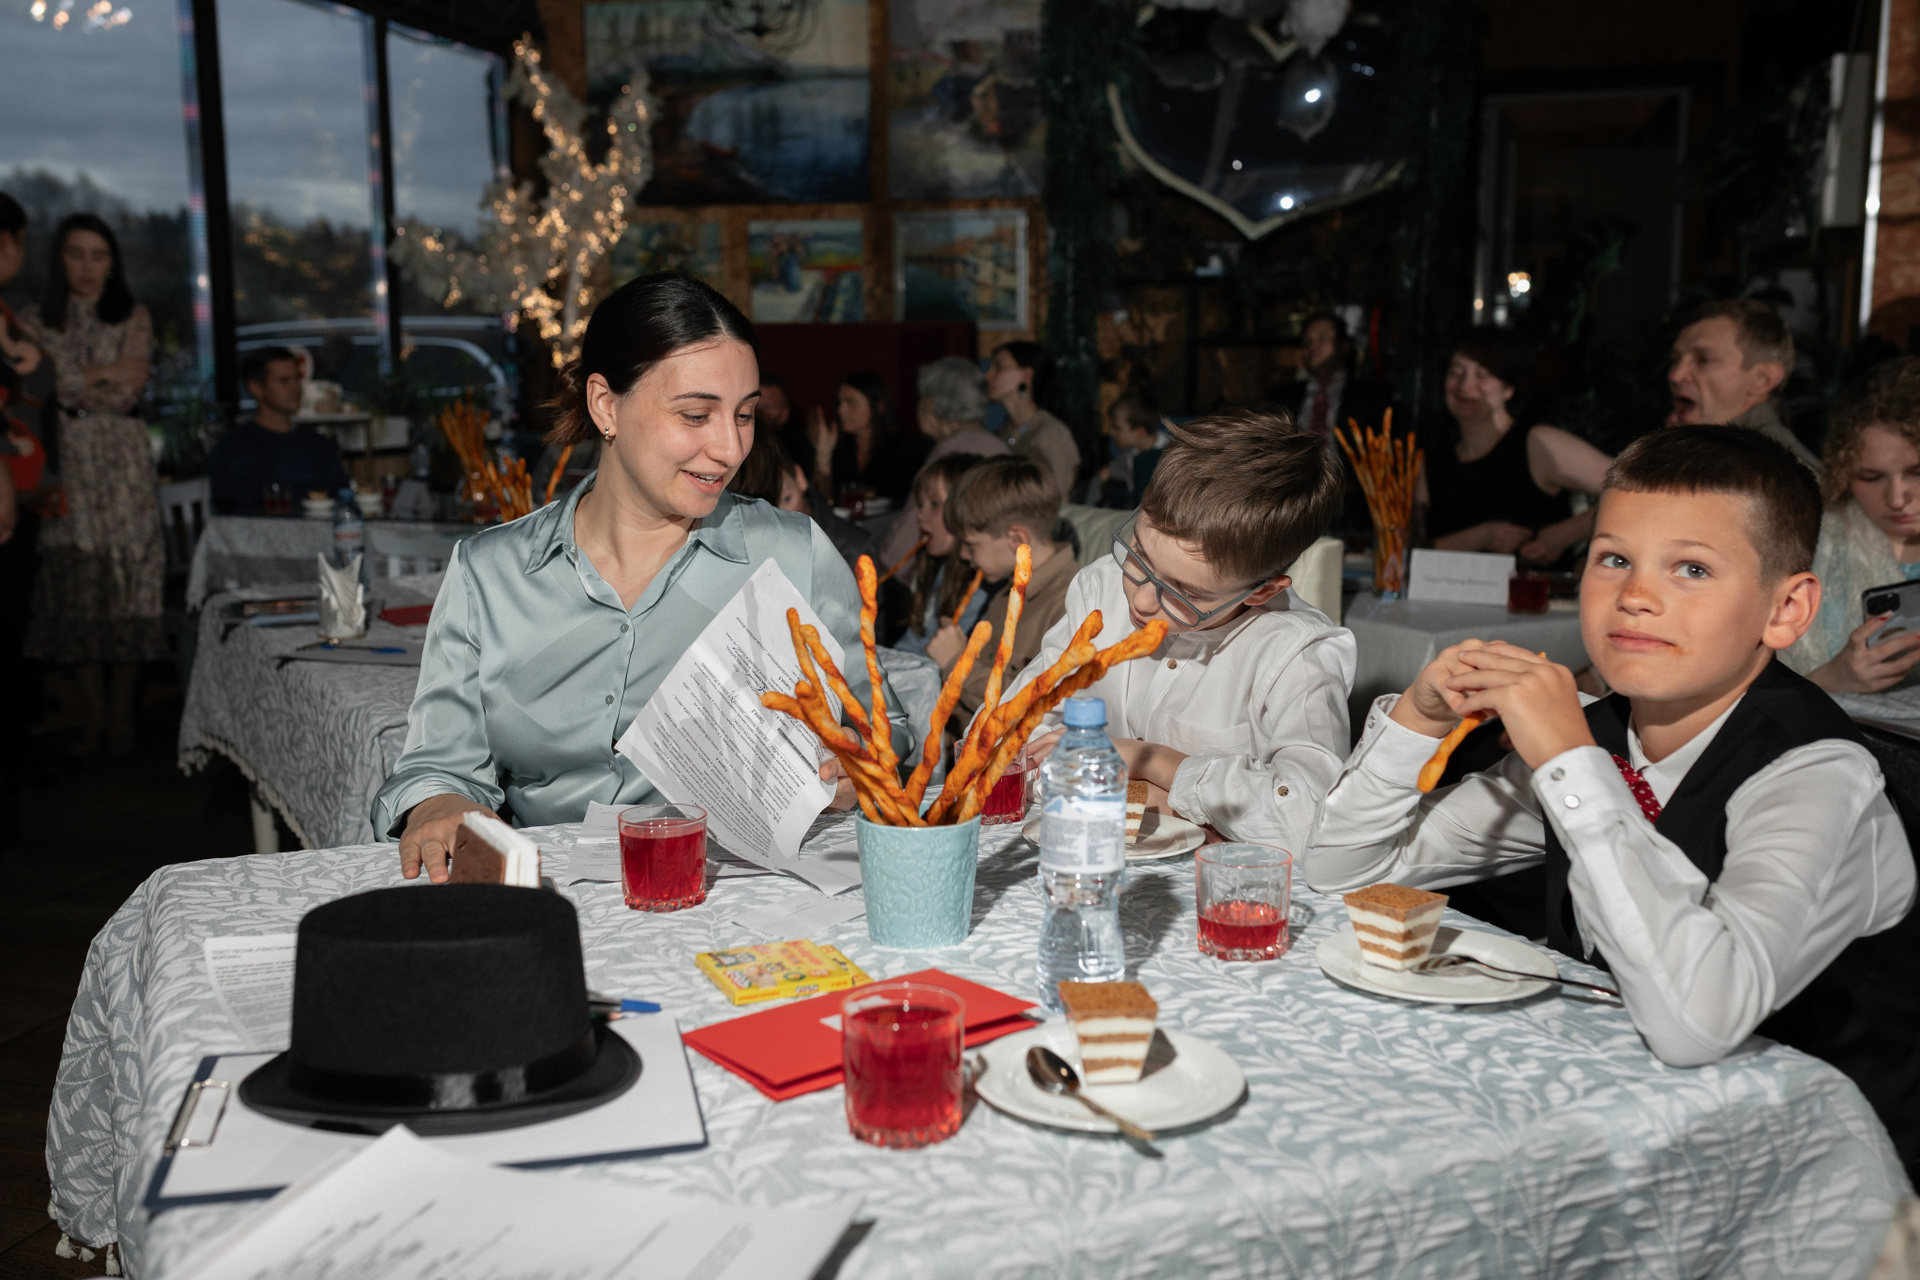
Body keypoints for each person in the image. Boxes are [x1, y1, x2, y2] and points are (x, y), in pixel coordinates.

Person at [1306, 425, 1920, 1171]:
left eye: (1692, 568)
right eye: (1614, 559)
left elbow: (1695, 1022)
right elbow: (1342, 870)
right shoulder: (1597, 733)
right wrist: (1416, 721)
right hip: (1615, 1116)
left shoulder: (1818, 776)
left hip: (1809, 1159)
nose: (1636, 596)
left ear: (1786, 609)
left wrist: (1571, 764)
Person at [373, 273, 905, 882]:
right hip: (555, 896)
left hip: (737, 891)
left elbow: (882, 728)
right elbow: (439, 766)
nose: (730, 448)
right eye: (696, 415)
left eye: (745, 415)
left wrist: (854, 764)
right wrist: (439, 805)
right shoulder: (490, 574)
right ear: (606, 405)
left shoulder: (790, 554)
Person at [1006, 407, 1354, 848]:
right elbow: (1004, 733)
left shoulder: (1296, 653)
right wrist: (1157, 801)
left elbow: (1313, 819)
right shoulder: (1101, 589)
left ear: (1262, 592)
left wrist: (1151, 761)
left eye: (1185, 594)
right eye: (1139, 555)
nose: (1141, 600)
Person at [22, 214, 161, 757]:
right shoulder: (34, 320)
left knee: (129, 580)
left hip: (123, 462)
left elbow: (129, 388)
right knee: (78, 582)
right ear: (59, 258)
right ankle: (94, 712)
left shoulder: (133, 315)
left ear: (112, 263)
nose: (86, 266)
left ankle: (122, 714)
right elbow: (40, 390)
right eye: (75, 253)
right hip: (67, 462)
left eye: (98, 255)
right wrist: (103, 371)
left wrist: (75, 380)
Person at [1419, 330, 1611, 567]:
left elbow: (1634, 489)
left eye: (1483, 375)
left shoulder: (1537, 443)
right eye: (1455, 373)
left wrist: (1564, 534)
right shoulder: (1433, 463)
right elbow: (1410, 548)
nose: (1465, 385)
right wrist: (1480, 537)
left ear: (1509, 388)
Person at [1784, 357, 1920, 692]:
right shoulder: (1810, 545)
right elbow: (1752, 706)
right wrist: (1833, 678)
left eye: (1917, 473)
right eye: (1871, 477)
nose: (1897, 498)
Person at [927, 455, 1075, 721]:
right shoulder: (1007, 588)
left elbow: (1039, 708)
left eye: (971, 544)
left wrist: (958, 663)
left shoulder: (1071, 604)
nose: (963, 555)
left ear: (1016, 539)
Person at [875, 355, 1008, 570]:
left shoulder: (950, 453)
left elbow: (901, 548)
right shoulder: (998, 445)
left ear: (936, 404)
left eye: (924, 397)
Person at [1667, 298, 1817, 469]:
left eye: (1704, 360)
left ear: (1763, 379)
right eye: (1675, 359)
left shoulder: (1780, 471)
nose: (1676, 376)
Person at [206, 347, 352, 514]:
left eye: (297, 379)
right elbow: (229, 514)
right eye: (284, 381)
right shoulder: (232, 449)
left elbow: (343, 500)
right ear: (256, 388)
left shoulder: (319, 445)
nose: (295, 387)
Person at [725, 426, 873, 568]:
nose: (780, 519)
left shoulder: (853, 552)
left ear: (799, 478)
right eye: (763, 511)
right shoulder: (740, 554)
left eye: (786, 499)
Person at [894, 452, 991, 659]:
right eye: (920, 505)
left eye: (935, 504)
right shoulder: (940, 570)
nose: (920, 516)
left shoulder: (983, 584)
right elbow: (913, 643)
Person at [806, 371, 932, 507]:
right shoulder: (842, 449)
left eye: (850, 402)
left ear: (878, 406)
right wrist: (823, 455)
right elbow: (822, 502)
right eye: (839, 402)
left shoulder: (904, 449)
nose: (841, 410)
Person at [1278, 311, 1391, 442]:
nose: (1312, 346)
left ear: (1343, 346)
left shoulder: (1371, 396)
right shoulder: (1283, 396)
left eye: (1322, 339)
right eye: (1307, 342)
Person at [987, 341, 1079, 497]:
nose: (988, 375)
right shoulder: (1005, 432)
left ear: (1027, 375)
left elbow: (1059, 495)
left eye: (999, 368)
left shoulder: (1052, 433)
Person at [1095, 392, 1163, 509]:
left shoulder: (1168, 455)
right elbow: (1106, 473)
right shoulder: (1128, 454)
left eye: (1117, 428)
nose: (1112, 433)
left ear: (1139, 431)